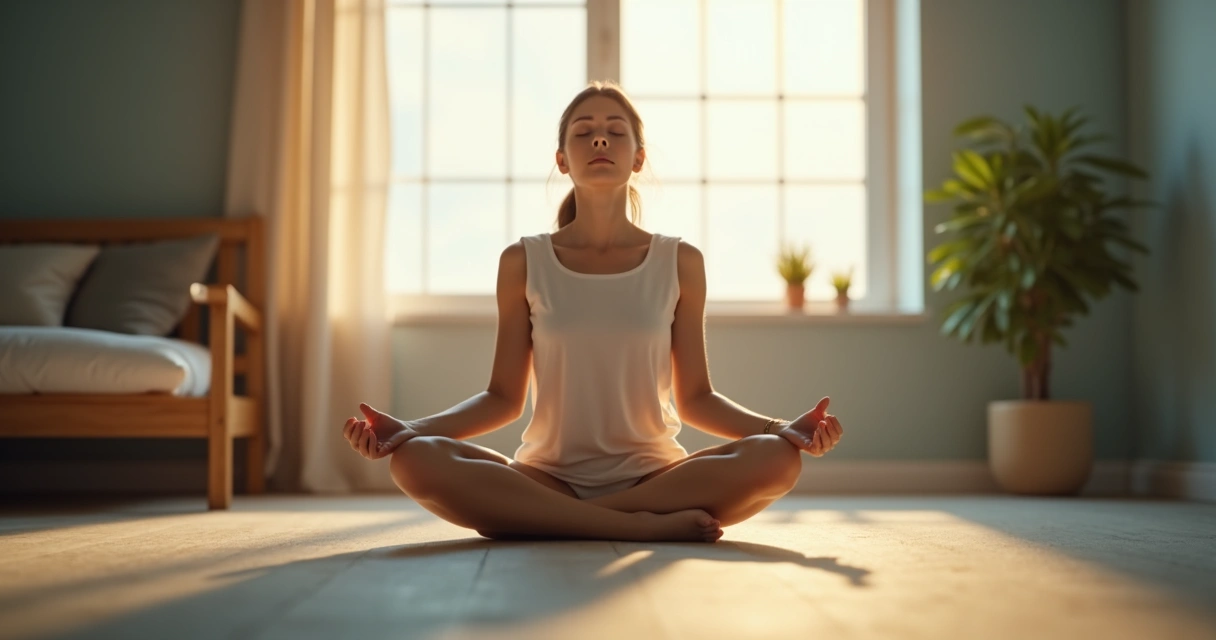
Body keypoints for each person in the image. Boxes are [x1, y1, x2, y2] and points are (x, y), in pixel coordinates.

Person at [341, 80, 844, 543]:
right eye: (584, 132)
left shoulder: (680, 261)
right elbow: (501, 399)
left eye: (614, 131)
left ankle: (568, 520)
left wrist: (779, 428)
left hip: (658, 479)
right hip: (546, 477)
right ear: (562, 160)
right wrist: (413, 430)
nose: (599, 140)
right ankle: (630, 527)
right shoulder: (522, 261)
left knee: (778, 460)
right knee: (414, 461)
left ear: (638, 158)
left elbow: (696, 399)